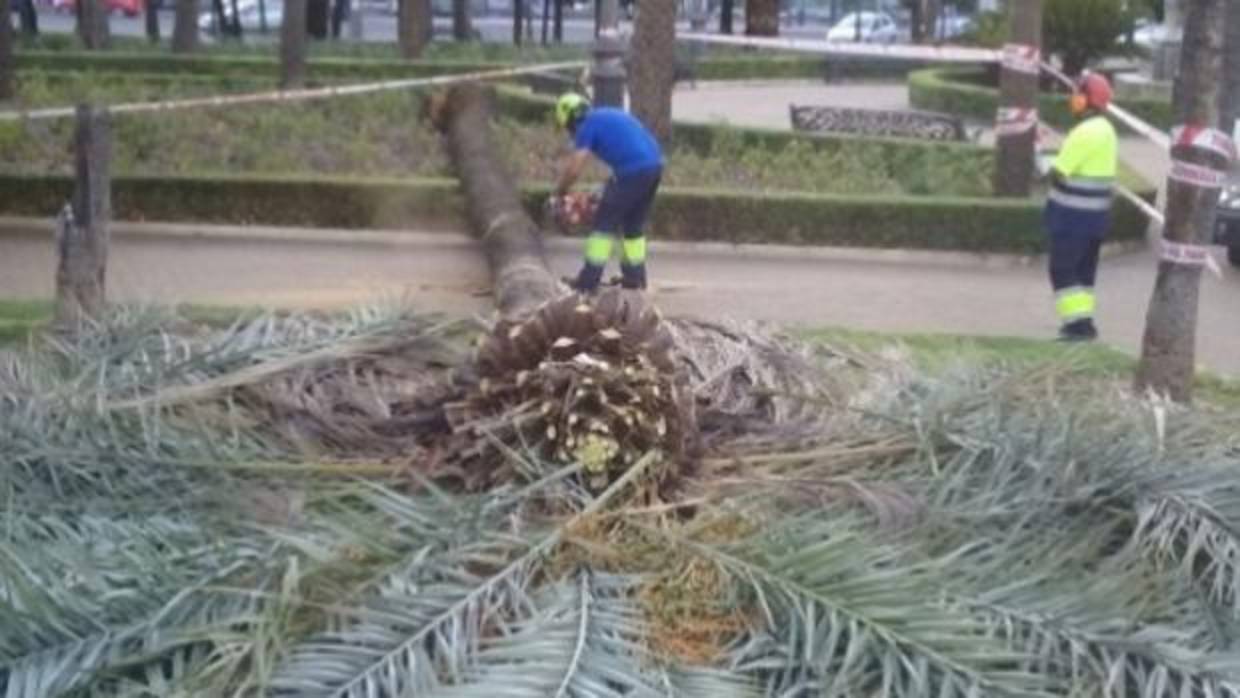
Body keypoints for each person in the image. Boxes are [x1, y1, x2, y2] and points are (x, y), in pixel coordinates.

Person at [553, 93, 664, 293]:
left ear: (569, 120)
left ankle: (587, 283)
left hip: (632, 171)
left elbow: (575, 167)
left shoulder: (586, 126)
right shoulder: (606, 115)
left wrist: (560, 190)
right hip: (654, 167)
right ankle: (635, 280)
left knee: (603, 226)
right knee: (633, 226)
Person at [1041, 73, 1118, 342]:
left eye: (1077, 94)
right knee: (1083, 273)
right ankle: (1084, 324)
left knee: (1061, 269)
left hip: (1072, 218)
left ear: (1088, 99)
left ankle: (1077, 327)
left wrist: (1037, 157)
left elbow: (1058, 172)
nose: (1072, 99)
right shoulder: (1106, 129)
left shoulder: (1085, 131)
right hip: (1094, 219)